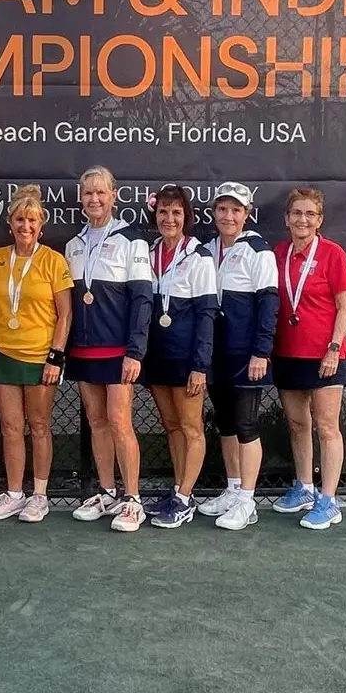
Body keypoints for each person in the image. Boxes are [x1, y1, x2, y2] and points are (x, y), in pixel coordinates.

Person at [64, 165, 152, 533]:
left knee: (119, 422)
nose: (94, 199)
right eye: (88, 193)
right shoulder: (73, 245)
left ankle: (132, 500)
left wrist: (135, 350)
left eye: (101, 192)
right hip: (84, 351)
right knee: (97, 422)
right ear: (81, 199)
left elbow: (143, 299)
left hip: (119, 351)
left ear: (114, 196)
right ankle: (106, 492)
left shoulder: (132, 241)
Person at [0, 186, 74, 523]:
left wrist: (56, 356)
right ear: (10, 223)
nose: (26, 226)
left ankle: (39, 495)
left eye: (32, 220)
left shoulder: (53, 260)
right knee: (9, 427)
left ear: (41, 225)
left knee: (38, 425)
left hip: (40, 357)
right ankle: (15, 494)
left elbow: (65, 314)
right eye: (20, 219)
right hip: (4, 353)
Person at [271, 187, 346, 530]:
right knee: (297, 424)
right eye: (296, 213)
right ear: (286, 218)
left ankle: (329, 499)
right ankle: (304, 487)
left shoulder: (333, 254)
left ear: (319, 220)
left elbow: (344, 305)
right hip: (288, 353)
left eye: (309, 214)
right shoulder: (278, 253)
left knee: (326, 426)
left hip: (326, 356)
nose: (302, 219)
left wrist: (334, 348)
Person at [197, 181, 279, 531]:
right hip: (215, 353)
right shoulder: (204, 250)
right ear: (214, 212)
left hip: (247, 355)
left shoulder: (258, 250)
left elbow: (269, 303)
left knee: (246, 424)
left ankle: (248, 500)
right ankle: (232, 489)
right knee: (226, 423)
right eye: (222, 209)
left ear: (246, 214)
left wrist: (261, 351)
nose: (228, 216)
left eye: (236, 210)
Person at [142, 185, 218, 529]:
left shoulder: (199, 256)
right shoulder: (150, 251)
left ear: (186, 217)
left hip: (188, 359)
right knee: (171, 425)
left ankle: (186, 498)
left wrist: (200, 365)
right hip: (158, 357)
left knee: (191, 427)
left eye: (175, 213)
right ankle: (176, 490)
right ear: (155, 216)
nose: (168, 219)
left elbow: (206, 315)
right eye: (163, 212)